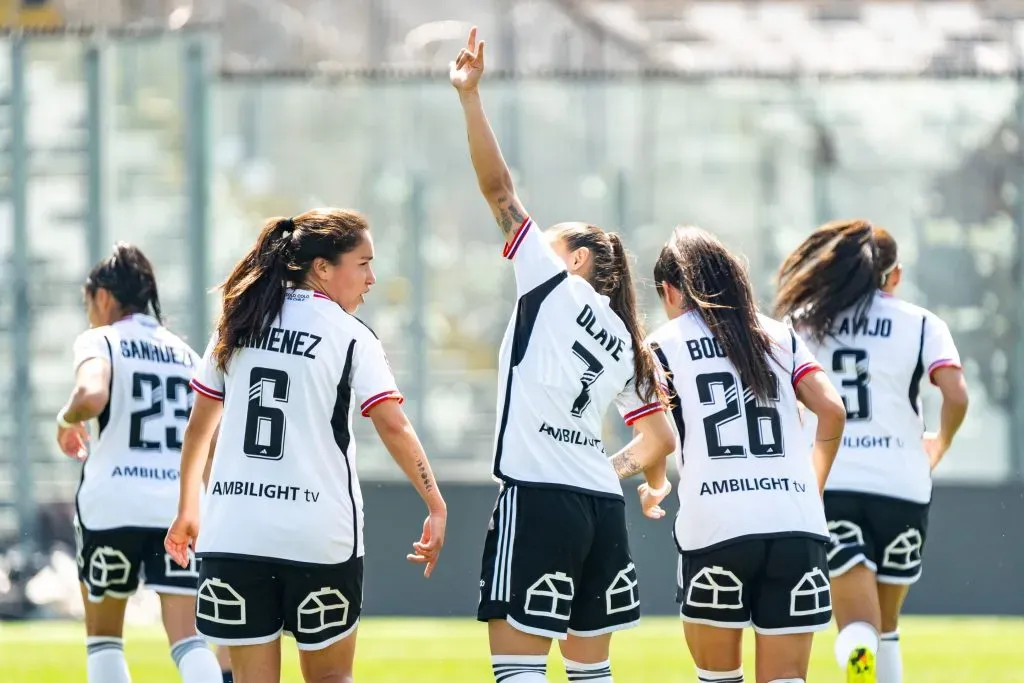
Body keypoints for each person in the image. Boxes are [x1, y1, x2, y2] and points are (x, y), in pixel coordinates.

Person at [450, 27, 677, 683]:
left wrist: (470, 99)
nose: (535, 243)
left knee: (517, 668)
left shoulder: (549, 284)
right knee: (590, 676)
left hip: (542, 498)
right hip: (598, 506)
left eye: (550, 240)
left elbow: (498, 190)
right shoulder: (628, 341)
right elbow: (659, 437)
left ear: (575, 259)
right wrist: (608, 466)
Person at [164, 208, 447, 683]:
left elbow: (198, 430)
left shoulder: (236, 325)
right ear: (321, 268)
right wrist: (435, 504)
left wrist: (189, 508)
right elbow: (393, 426)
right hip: (318, 536)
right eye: (363, 263)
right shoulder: (351, 336)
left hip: (235, 532)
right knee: (331, 678)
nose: (372, 278)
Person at [649, 226, 848, 683]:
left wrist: (652, 482)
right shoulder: (779, 335)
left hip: (718, 526)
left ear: (670, 290)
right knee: (858, 639)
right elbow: (832, 410)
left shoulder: (663, 342)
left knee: (719, 679)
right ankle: (871, 672)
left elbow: (655, 433)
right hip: (796, 522)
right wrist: (811, 485)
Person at [774, 220, 969, 683]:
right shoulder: (923, 323)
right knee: (887, 626)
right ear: (894, 275)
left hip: (829, 484)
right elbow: (956, 395)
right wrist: (939, 443)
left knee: (858, 627)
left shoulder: (800, 323)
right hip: (903, 487)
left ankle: (859, 672)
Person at [56, 243, 223, 683]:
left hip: (111, 506)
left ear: (104, 297)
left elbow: (91, 395)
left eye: (88, 302)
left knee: (104, 638)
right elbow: (210, 439)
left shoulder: (101, 340)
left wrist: (66, 419)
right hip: (176, 508)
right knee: (188, 638)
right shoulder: (186, 355)